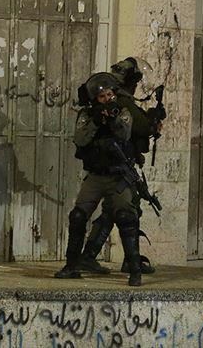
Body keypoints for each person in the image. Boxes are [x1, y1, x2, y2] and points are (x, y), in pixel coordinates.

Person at [78, 57, 166, 276]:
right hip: (115, 167)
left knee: (116, 210)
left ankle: (90, 256)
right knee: (128, 211)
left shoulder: (117, 99)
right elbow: (141, 127)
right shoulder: (121, 100)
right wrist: (152, 120)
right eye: (135, 81)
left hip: (120, 163)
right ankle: (123, 261)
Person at [54, 72, 144, 286]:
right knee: (78, 216)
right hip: (96, 175)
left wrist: (112, 119)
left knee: (126, 217)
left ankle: (135, 271)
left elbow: (125, 134)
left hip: (118, 176)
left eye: (110, 95)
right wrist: (95, 120)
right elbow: (80, 139)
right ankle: (71, 266)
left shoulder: (122, 111)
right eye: (102, 97)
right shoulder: (87, 114)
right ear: (95, 99)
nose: (107, 99)